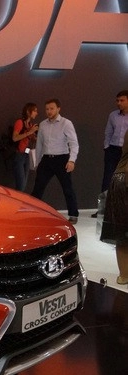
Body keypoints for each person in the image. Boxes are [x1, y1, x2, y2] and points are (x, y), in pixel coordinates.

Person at [31, 98, 80, 223]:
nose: (49, 111)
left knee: (67, 188)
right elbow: (39, 145)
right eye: (47, 109)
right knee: (38, 187)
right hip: (46, 159)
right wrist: (37, 162)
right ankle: (32, 212)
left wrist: (72, 160)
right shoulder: (43, 124)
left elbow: (74, 143)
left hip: (62, 159)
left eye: (52, 108)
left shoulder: (66, 123)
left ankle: (73, 214)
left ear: (58, 109)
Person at [92, 90, 128, 218]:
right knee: (107, 179)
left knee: (125, 181)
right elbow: (108, 132)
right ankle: (103, 211)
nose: (119, 103)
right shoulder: (113, 115)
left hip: (126, 152)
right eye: (117, 100)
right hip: (113, 150)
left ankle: (122, 211)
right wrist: (107, 147)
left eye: (122, 100)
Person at [100, 130, 128, 285]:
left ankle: (124, 274)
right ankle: (124, 274)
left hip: (120, 180)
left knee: (122, 232)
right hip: (124, 182)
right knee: (122, 232)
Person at [12, 103, 39, 191]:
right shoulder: (19, 122)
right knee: (21, 184)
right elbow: (15, 138)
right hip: (18, 155)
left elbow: (31, 138)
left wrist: (36, 136)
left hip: (26, 154)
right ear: (28, 111)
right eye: (34, 111)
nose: (36, 113)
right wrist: (29, 132)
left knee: (23, 184)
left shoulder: (30, 125)